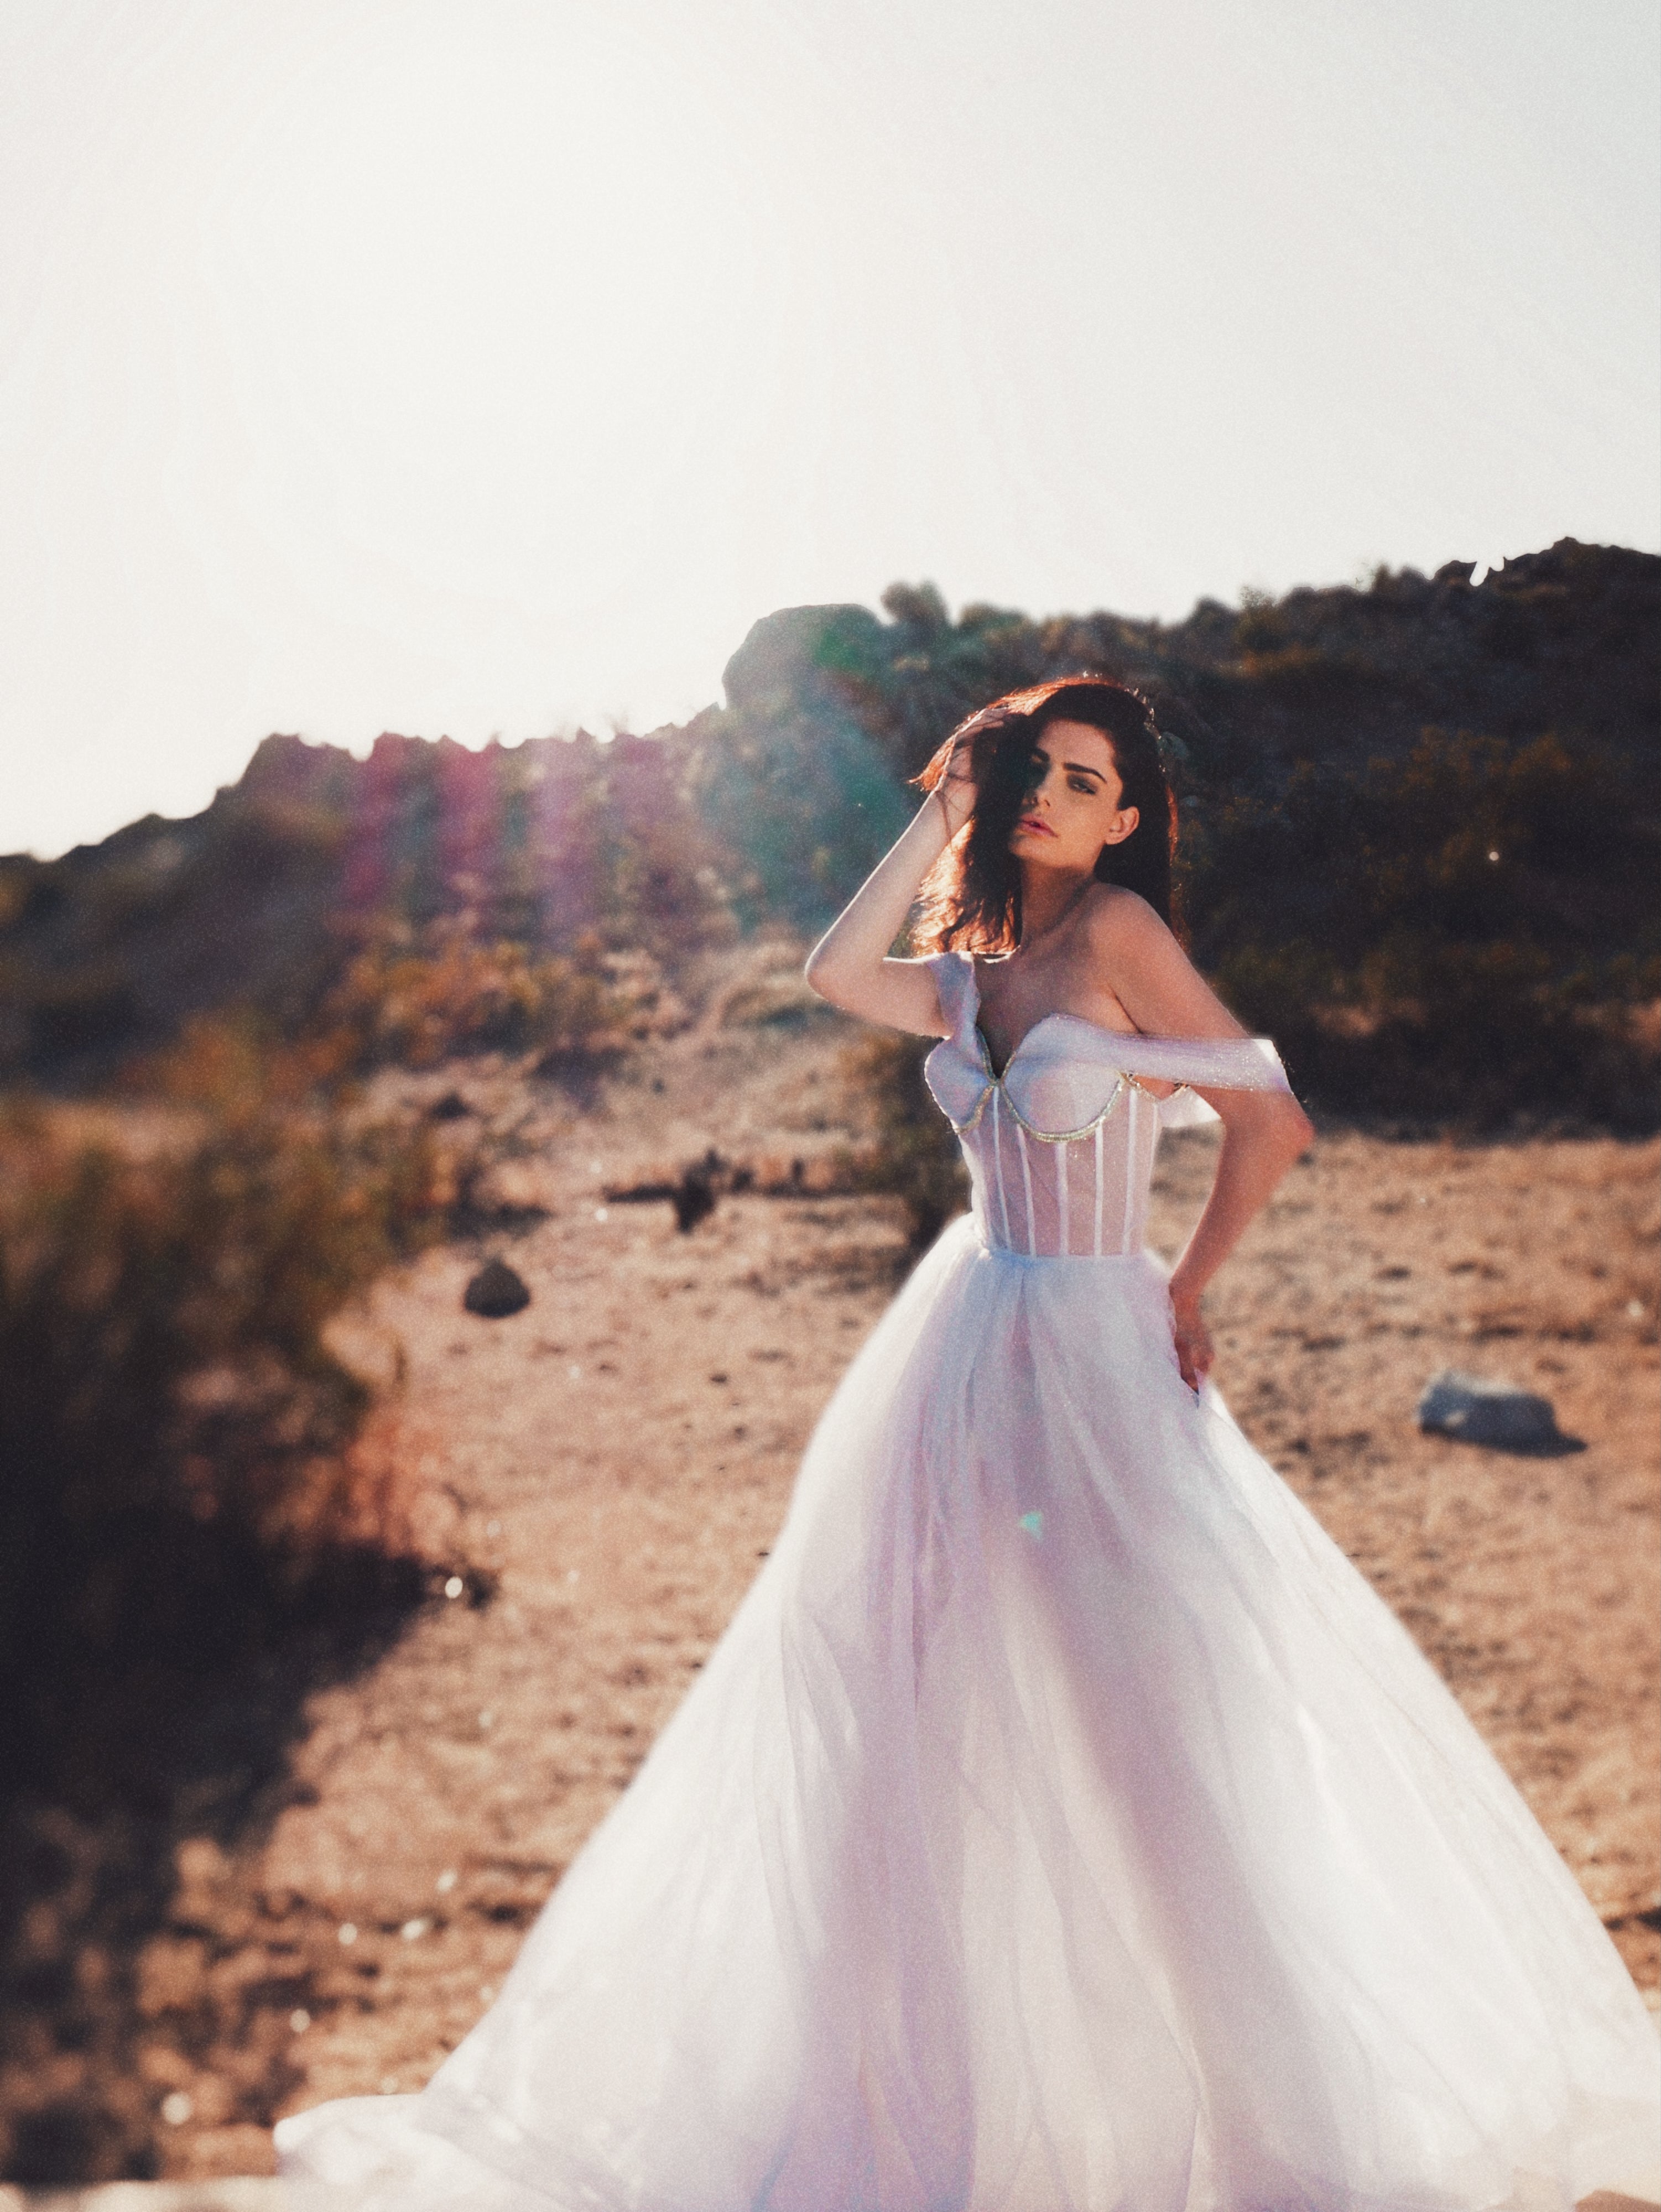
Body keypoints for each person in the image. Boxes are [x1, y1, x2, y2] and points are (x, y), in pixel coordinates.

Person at [278, 677, 1660, 2211]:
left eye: (1086, 781)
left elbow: (1268, 1111)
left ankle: (1269, 2137)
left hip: (1098, 1348)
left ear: (1127, 818)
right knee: (925, 1715)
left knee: (1143, 1727)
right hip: (964, 1353)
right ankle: (948, 2120)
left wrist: (1185, 1287)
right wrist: (939, 810)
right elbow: (829, 971)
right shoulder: (970, 969)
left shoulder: (1120, 935)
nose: (1051, 797)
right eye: (1035, 773)